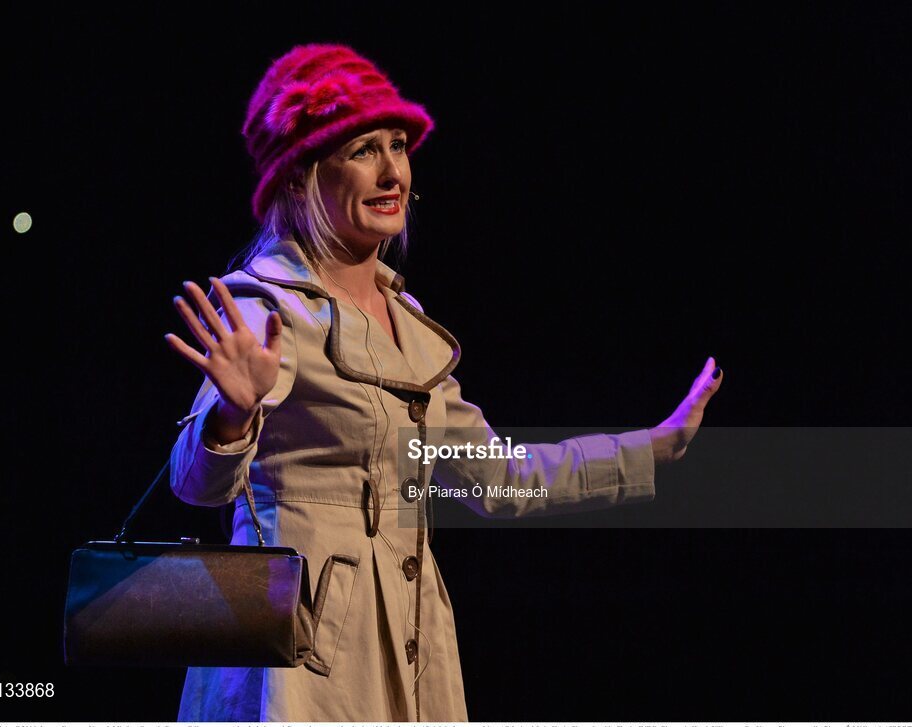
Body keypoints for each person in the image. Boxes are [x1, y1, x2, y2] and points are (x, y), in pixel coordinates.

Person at [164, 42, 723, 722]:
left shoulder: (410, 325)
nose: (392, 168)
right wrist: (232, 412)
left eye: (397, 145)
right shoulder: (269, 304)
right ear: (299, 175)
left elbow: (498, 480)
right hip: (300, 661)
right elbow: (196, 484)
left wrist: (650, 450)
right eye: (363, 148)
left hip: (407, 643)